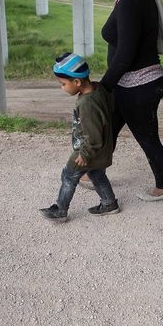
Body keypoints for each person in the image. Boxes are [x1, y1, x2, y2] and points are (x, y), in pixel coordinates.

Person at [99, 0, 163, 202]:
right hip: (128, 84)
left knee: (147, 136)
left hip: (140, 86)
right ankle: (93, 172)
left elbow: (125, 54)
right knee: (107, 128)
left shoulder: (132, 1)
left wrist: (102, 86)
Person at [39, 53, 119, 221]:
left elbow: (93, 133)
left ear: (77, 82)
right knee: (96, 174)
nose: (62, 87)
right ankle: (109, 203)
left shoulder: (87, 104)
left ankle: (60, 210)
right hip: (101, 148)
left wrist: (85, 153)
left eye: (63, 84)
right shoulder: (98, 88)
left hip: (88, 149)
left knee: (69, 175)